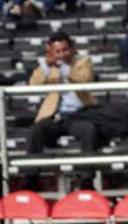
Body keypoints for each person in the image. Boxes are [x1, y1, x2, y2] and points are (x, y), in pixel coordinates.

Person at [26, 31, 99, 188]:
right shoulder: (48, 67)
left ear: (72, 49)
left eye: (65, 50)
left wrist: (65, 68)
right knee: (35, 131)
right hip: (56, 115)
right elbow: (33, 84)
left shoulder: (83, 62)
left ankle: (87, 180)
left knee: (89, 130)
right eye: (57, 51)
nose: (61, 55)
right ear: (51, 52)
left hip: (80, 115)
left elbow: (84, 80)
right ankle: (31, 179)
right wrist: (46, 65)